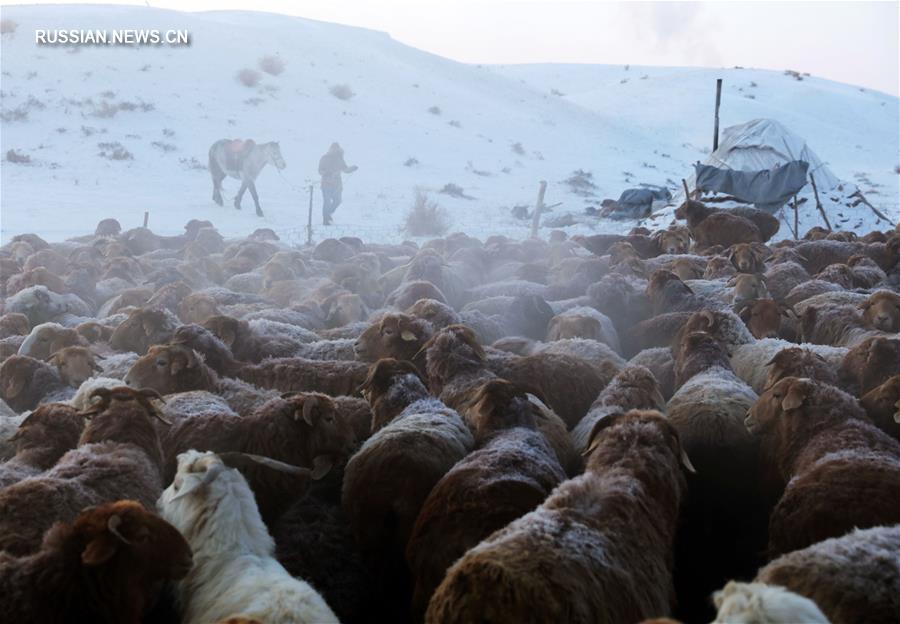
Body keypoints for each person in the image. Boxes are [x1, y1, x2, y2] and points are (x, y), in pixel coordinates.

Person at [318, 142, 357, 225]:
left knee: (338, 201)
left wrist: (352, 169)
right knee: (327, 202)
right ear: (330, 149)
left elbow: (345, 169)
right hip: (326, 184)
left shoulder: (340, 159)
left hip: (337, 186)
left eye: (337, 149)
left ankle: (328, 213)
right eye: (333, 149)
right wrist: (326, 173)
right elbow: (320, 170)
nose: (335, 151)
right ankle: (325, 220)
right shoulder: (324, 158)